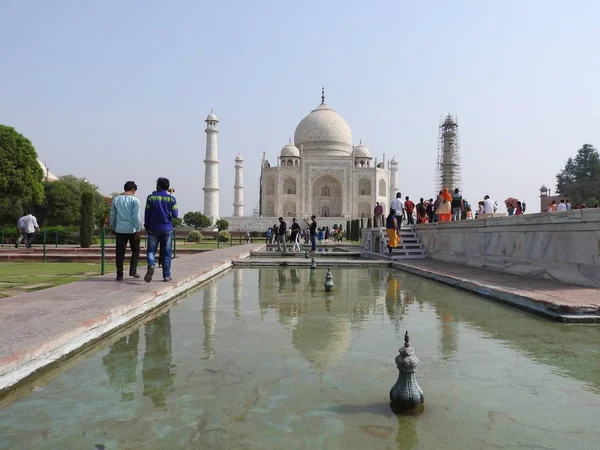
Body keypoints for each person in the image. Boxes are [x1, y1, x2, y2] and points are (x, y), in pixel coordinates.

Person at [144, 177, 178, 283]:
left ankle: (151, 265)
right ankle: (166, 276)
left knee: (151, 251)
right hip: (167, 228)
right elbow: (175, 215)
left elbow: (147, 214)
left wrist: (147, 225)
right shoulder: (172, 199)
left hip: (153, 228)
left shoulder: (151, 198)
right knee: (167, 253)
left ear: (158, 186)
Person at [109, 181, 141, 281]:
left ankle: (119, 274)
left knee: (119, 252)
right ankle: (133, 270)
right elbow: (135, 216)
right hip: (132, 229)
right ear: (132, 190)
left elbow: (113, 215)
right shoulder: (135, 200)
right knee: (135, 250)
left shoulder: (116, 199)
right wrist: (138, 229)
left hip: (119, 229)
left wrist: (113, 227)